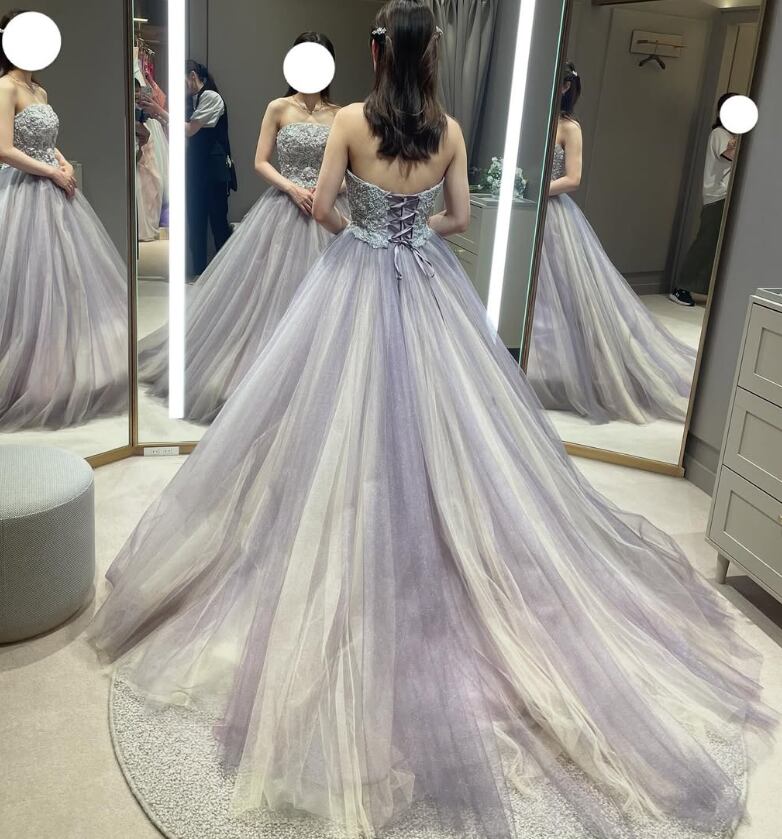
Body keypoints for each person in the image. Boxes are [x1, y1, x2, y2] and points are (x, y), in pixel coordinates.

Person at [88, 5, 772, 838]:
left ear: (378, 54)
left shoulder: (348, 120)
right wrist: (413, 233)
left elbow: (323, 206)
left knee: (330, 412)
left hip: (353, 275)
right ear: (433, 57)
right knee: (451, 422)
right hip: (427, 277)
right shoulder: (446, 129)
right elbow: (460, 220)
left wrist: (363, 229)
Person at [137, 33, 348, 423]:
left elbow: (350, 168)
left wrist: (330, 190)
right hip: (285, 207)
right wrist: (291, 188)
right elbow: (260, 161)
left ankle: (319, 376)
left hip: (328, 209)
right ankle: (267, 374)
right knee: (270, 296)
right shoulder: (279, 108)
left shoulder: (341, 115)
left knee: (329, 298)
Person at [527, 62, 697, 424]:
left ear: (566, 87)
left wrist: (537, 189)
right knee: (533, 295)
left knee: (565, 295)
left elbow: (573, 178)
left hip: (554, 216)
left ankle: (577, 373)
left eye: (556, 83)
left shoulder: (569, 128)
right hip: (530, 210)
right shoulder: (533, 119)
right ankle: (528, 367)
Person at [0, 8, 128, 429]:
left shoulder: (39, 90)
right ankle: (24, 379)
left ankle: (55, 374)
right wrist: (51, 171)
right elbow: (4, 149)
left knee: (63, 282)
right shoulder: (5, 87)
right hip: (23, 192)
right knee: (27, 283)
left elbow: (46, 140)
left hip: (53, 187)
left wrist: (63, 162)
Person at [670, 93, 737, 307]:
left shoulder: (731, 134)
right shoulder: (719, 133)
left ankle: (706, 288)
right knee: (706, 243)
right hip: (718, 196)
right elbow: (730, 155)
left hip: (727, 196)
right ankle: (682, 287)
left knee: (720, 246)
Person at [184, 60, 235, 275]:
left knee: (218, 222)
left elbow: (190, 130)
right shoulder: (190, 100)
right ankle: (199, 272)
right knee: (195, 220)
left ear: (192, 76)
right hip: (196, 168)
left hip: (214, 171)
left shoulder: (211, 97)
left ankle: (224, 274)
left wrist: (160, 111)